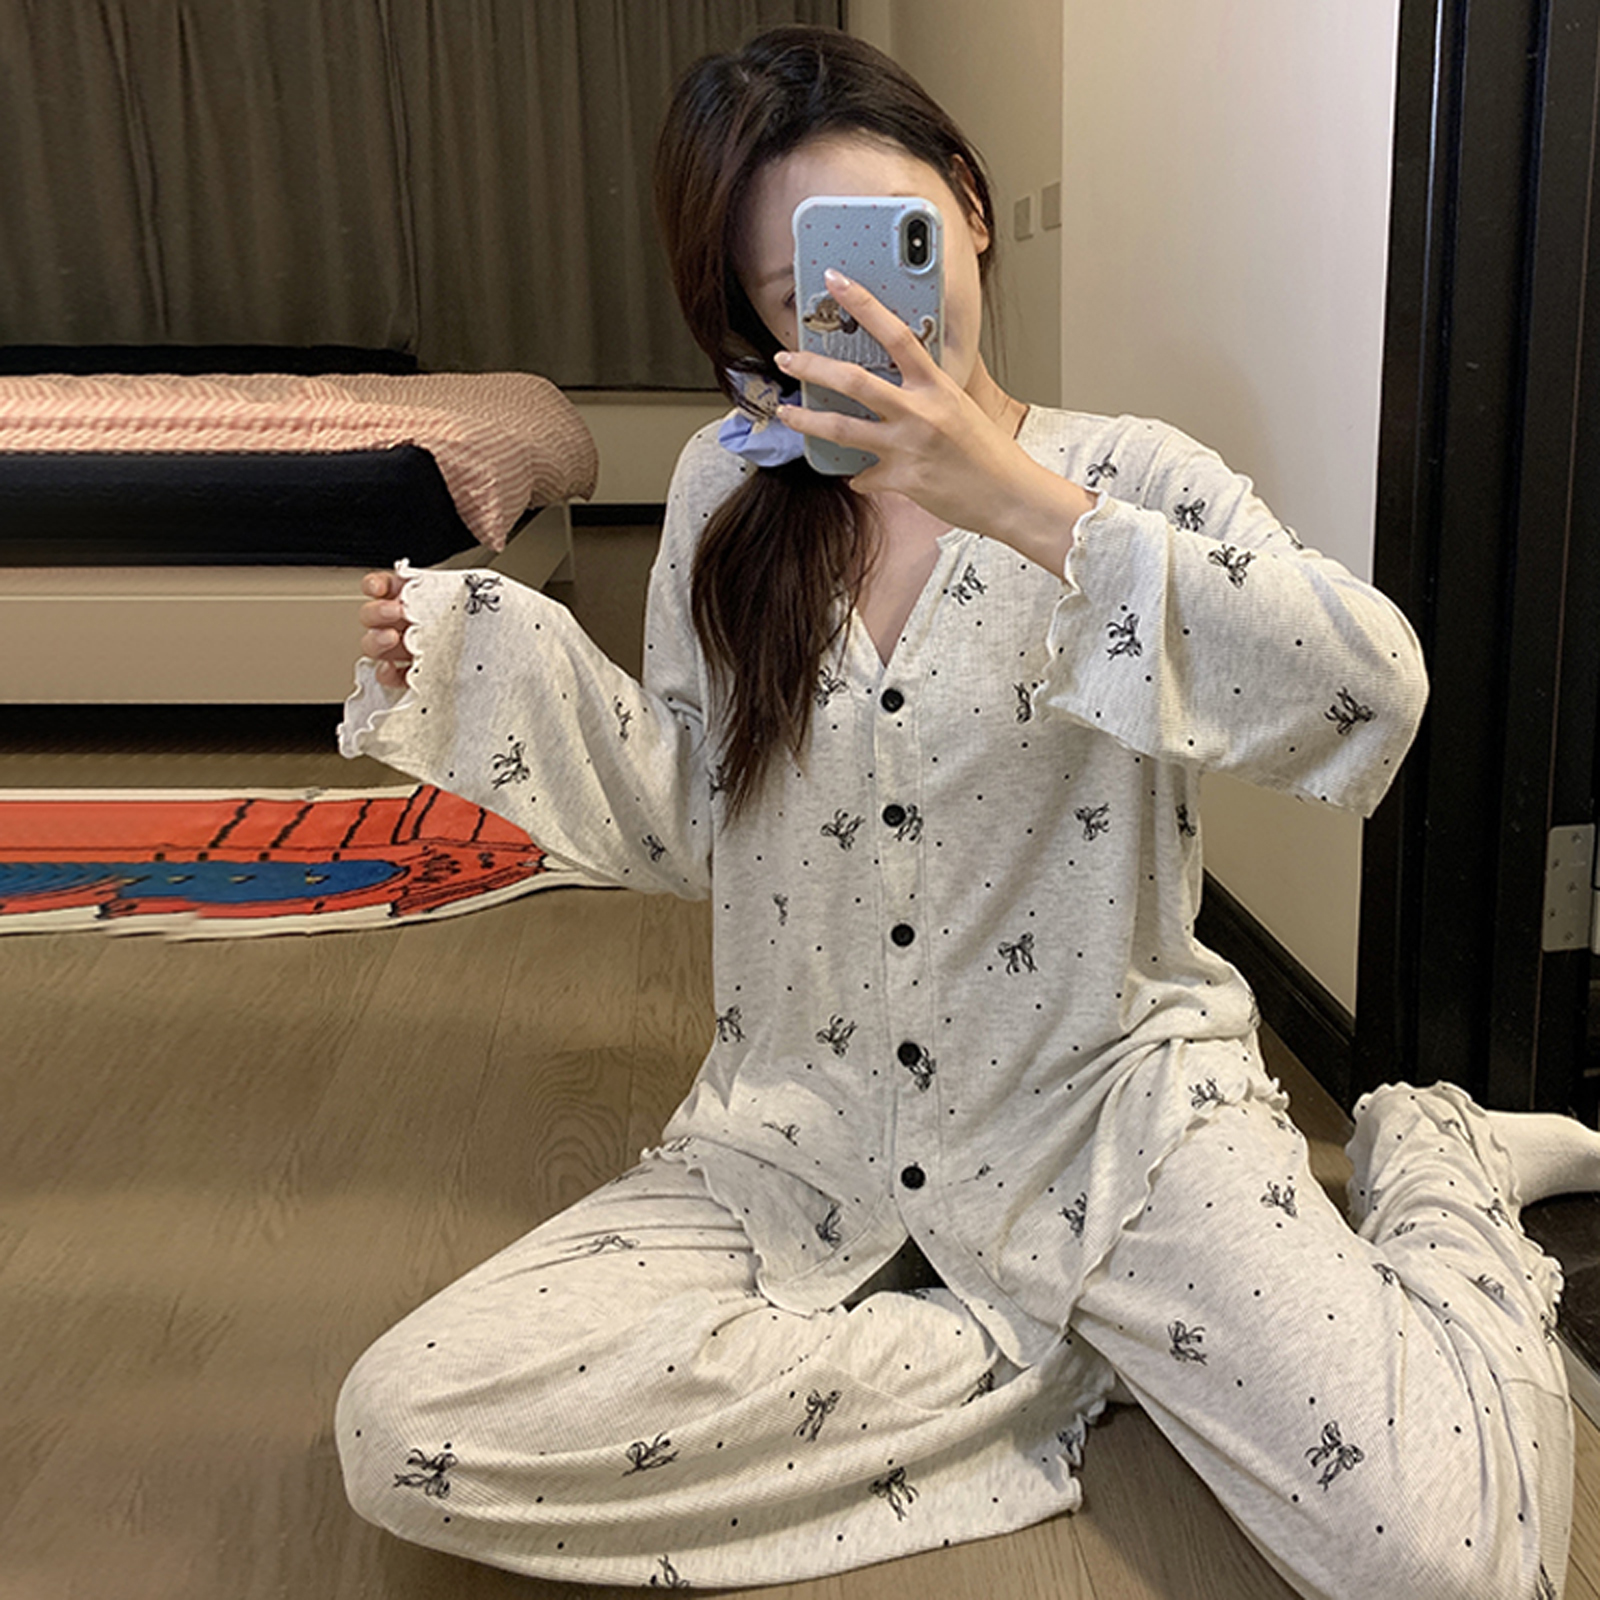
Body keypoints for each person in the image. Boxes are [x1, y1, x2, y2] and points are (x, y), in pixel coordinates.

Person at [336, 25, 1596, 1600]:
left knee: (1452, 1564)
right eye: (802, 300)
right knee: (408, 1424)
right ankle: (1052, 1351)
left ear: (968, 211)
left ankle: (1437, 1159)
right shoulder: (729, 494)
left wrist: (1015, 500)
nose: (863, 321)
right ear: (755, 319)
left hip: (1119, 1129)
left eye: (891, 256)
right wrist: (495, 664)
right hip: (801, 1134)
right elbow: (691, 820)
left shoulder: (1128, 477)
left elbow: (1371, 693)